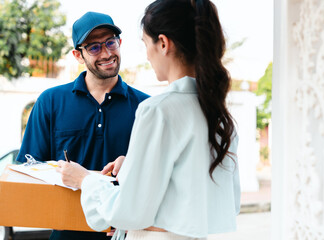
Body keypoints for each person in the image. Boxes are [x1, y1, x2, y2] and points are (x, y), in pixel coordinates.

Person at [58, 0, 240, 239]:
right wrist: (132, 166)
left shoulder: (157, 110)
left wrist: (84, 180)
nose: (146, 56)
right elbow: (225, 204)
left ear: (163, 43)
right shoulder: (221, 116)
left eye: (146, 44)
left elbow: (129, 212)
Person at [16, 11, 150, 240]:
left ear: (120, 43)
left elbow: (153, 179)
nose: (107, 53)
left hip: (125, 234)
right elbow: (28, 171)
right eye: (94, 47)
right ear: (78, 55)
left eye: (110, 42)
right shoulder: (51, 101)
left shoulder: (146, 107)